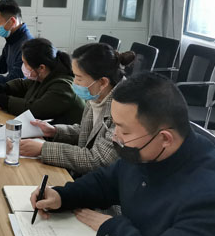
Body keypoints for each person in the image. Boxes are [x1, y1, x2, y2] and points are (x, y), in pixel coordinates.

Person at [31, 72, 215, 236]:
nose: (115, 136)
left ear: (165, 138)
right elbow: (107, 182)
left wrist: (112, 227)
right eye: (115, 125)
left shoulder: (214, 201)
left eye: (124, 131)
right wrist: (62, 196)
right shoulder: (148, 149)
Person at [19, 43, 135, 176]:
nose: (74, 83)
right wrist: (54, 131)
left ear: (103, 82)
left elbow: (97, 159)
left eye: (79, 78)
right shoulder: (97, 93)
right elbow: (87, 132)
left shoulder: (124, 108)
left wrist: (43, 149)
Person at [0, 38, 84, 124]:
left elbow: (35, 110)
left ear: (41, 68)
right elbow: (22, 85)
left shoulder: (63, 87)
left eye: (25, 63)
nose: (23, 67)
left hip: (63, 141)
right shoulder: (44, 76)